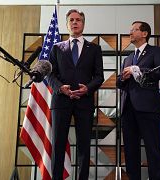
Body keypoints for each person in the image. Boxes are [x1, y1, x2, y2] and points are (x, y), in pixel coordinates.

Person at [47, 9, 104, 180]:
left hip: (84, 101)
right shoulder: (56, 48)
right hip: (61, 101)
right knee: (58, 144)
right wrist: (59, 88)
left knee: (84, 145)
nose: (74, 22)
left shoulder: (94, 48)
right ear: (67, 24)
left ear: (83, 24)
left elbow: (99, 76)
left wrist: (88, 88)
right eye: (71, 20)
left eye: (78, 19)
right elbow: (50, 74)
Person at [116, 21, 160, 180]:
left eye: (134, 30)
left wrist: (137, 70)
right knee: (131, 152)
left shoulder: (156, 51)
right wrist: (123, 77)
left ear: (145, 34)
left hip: (148, 108)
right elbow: (119, 83)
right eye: (130, 30)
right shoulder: (128, 58)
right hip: (128, 109)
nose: (130, 33)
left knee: (152, 149)